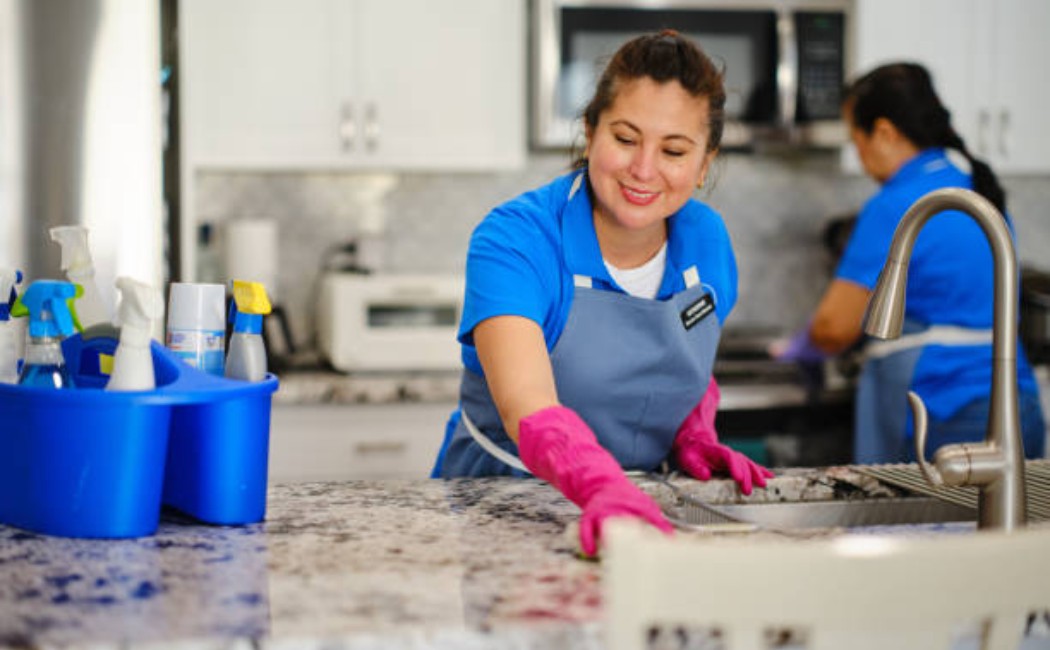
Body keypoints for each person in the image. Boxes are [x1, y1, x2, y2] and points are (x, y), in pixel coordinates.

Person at [431, 30, 772, 555]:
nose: (643, 169)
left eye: (674, 150)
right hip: (503, 510)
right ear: (590, 132)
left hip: (643, 512)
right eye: (625, 138)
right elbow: (527, 404)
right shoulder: (516, 239)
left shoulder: (707, 240)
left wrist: (693, 434)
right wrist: (600, 486)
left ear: (704, 164)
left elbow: (685, 366)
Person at [775, 62, 1045, 464]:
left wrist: (803, 348)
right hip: (1017, 406)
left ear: (884, 132)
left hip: (941, 414)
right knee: (1011, 527)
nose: (861, 157)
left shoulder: (896, 204)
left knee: (920, 529)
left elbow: (833, 328)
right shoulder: (978, 186)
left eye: (857, 141)